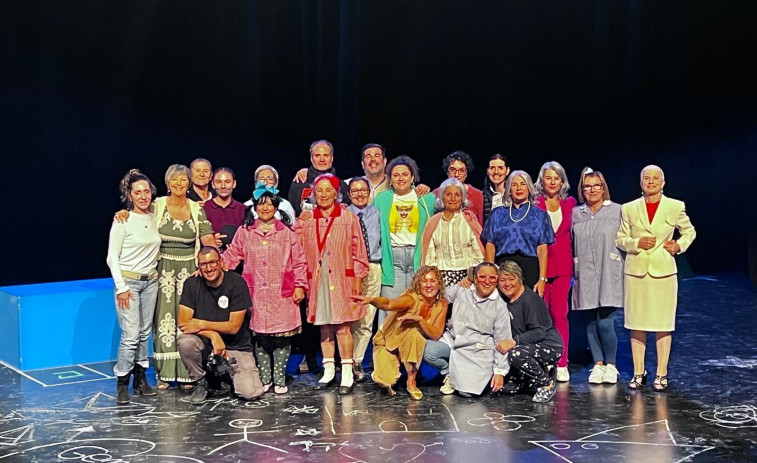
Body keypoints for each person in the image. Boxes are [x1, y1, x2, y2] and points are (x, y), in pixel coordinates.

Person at [616, 165, 696, 392]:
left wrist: (679, 245)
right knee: (636, 324)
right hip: (636, 272)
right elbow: (620, 239)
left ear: (663, 183)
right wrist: (636, 243)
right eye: (646, 178)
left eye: (655, 179)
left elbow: (689, 231)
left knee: (663, 324)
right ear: (640, 182)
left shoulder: (674, 206)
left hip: (663, 271)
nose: (650, 182)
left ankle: (662, 373)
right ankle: (638, 372)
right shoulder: (629, 208)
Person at [222, 185, 308, 395]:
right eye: (262, 204)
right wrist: (216, 266)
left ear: (276, 206)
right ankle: (265, 377)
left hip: (282, 293)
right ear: (255, 207)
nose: (266, 208)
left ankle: (279, 378)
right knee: (261, 337)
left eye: (270, 204)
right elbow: (233, 255)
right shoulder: (246, 231)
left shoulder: (287, 233)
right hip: (256, 293)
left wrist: (300, 286)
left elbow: (300, 263)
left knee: (281, 338)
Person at [294, 174, 370, 394]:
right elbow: (297, 250)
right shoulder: (307, 219)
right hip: (318, 279)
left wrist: (357, 278)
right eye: (320, 191)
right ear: (314, 194)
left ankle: (346, 373)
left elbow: (359, 251)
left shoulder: (348, 218)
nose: (324, 195)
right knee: (324, 325)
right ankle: (328, 370)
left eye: (329, 190)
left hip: (342, 278)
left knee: (343, 326)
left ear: (337, 194)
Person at [178, 247, 265, 404]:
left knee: (250, 392)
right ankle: (201, 381)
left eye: (212, 262)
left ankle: (227, 377)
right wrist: (213, 335)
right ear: (198, 266)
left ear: (221, 262)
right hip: (207, 345)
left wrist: (202, 323)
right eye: (203, 264)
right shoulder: (191, 284)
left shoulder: (237, 283)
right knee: (185, 341)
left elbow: (233, 327)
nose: (209, 268)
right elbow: (184, 323)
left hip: (236, 347)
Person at [352, 266, 448, 400]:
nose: (429, 285)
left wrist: (419, 320)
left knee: (414, 335)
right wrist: (372, 300)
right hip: (388, 343)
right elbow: (389, 303)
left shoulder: (442, 303)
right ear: (417, 284)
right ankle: (387, 366)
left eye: (432, 281)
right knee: (386, 381)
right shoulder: (411, 299)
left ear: (439, 283)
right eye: (424, 281)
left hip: (411, 342)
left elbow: (436, 334)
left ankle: (411, 381)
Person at [106, 169, 161, 404]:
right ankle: (122, 382)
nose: (143, 196)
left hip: (150, 282)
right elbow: (112, 257)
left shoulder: (156, 214)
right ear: (129, 195)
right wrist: (121, 287)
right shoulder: (122, 220)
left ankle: (140, 381)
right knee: (130, 335)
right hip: (128, 283)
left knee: (144, 333)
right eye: (137, 192)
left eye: (146, 191)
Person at [423, 262, 511, 397]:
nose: (487, 282)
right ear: (475, 278)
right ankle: (448, 373)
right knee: (427, 349)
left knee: (466, 393)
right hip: (453, 341)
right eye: (482, 277)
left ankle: (464, 376)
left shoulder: (500, 306)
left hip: (476, 350)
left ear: (497, 280)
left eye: (492, 278)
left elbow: (502, 340)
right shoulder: (462, 290)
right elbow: (439, 295)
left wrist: (499, 371)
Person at [571, 168, 624, 385]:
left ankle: (611, 365)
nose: (592, 190)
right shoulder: (576, 213)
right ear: (582, 189)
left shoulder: (618, 211)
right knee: (590, 322)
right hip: (585, 272)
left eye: (596, 185)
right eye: (587, 186)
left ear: (603, 188)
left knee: (605, 322)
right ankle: (598, 364)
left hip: (609, 271)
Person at [373, 155, 436, 326]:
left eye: (405, 174)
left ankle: (410, 347)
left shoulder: (427, 199)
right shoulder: (381, 199)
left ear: (412, 177)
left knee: (416, 305)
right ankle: (385, 348)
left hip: (417, 257)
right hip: (393, 258)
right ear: (390, 179)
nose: (401, 178)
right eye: (396, 175)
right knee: (389, 307)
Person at [495, 261, 563, 403]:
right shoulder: (503, 300)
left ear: (519, 279)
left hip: (548, 345)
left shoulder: (530, 300)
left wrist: (514, 341)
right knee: (509, 389)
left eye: (511, 279)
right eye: (502, 280)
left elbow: (539, 332)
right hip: (526, 345)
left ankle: (546, 383)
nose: (507, 284)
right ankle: (526, 379)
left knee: (516, 354)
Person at [534, 161, 576, 382]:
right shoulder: (535, 202)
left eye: (556, 178)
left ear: (562, 181)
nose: (552, 182)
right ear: (542, 180)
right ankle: (544, 358)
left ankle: (561, 361)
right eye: (548, 178)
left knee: (559, 314)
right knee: (542, 316)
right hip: (539, 266)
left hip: (562, 267)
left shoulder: (570, 203)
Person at [481, 170, 554, 296]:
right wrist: (490, 274)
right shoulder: (497, 214)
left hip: (530, 268)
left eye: (522, 184)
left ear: (529, 188)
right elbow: (490, 245)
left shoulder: (540, 215)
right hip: (503, 268)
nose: (518, 188)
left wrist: (542, 279)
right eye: (514, 185)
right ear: (509, 189)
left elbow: (542, 249)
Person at [346, 177, 382, 383]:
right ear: (349, 194)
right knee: (350, 317)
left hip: (373, 266)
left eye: (363, 190)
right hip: (350, 270)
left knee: (368, 318)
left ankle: (358, 360)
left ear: (369, 192)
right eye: (355, 191)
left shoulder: (377, 214)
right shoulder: (344, 214)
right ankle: (346, 360)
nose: (359, 194)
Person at [421, 178, 484, 286]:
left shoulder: (469, 220)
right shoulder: (433, 222)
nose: (453, 199)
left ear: (462, 198)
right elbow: (428, 257)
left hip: (467, 278)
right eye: (448, 194)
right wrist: (435, 280)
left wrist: (471, 277)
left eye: (457, 195)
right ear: (442, 197)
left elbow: (479, 255)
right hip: (440, 278)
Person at [288, 140, 350, 216]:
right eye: (317, 155)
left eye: (326, 155)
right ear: (311, 158)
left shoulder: (342, 185)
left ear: (332, 158)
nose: (322, 160)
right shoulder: (299, 182)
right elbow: (291, 213)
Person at [436, 150, 485, 225]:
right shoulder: (436, 193)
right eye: (452, 170)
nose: (456, 174)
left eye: (461, 170)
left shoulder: (477, 195)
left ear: (466, 173)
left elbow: (479, 225)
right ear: (447, 171)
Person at [204, 167, 246, 250]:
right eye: (218, 182)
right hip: (212, 257)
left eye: (227, 182)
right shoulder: (204, 209)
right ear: (213, 184)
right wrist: (210, 241)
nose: (223, 186)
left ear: (234, 184)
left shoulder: (243, 210)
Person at [482, 154, 510, 226]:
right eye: (492, 168)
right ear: (487, 171)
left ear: (507, 171)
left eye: (500, 168)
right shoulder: (482, 196)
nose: (496, 172)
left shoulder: (514, 195)